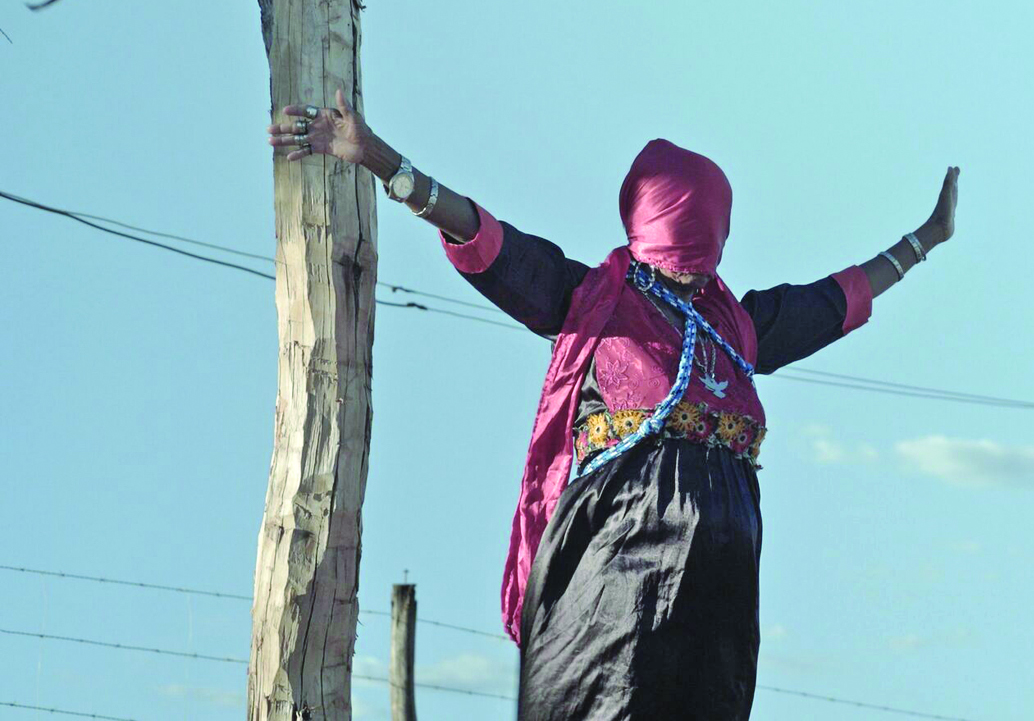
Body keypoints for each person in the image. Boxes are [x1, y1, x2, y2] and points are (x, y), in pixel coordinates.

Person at [267, 89, 960, 720]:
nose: (695, 256)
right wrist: (377, 157)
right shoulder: (591, 302)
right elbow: (485, 237)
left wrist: (925, 240)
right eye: (683, 232)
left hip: (721, 578)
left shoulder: (737, 327)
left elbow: (833, 302)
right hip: (621, 557)